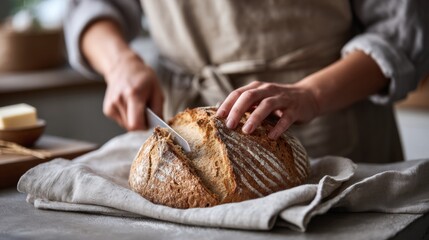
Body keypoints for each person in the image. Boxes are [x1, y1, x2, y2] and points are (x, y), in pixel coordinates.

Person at [65, 0, 429, 163]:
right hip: (188, 135)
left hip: (330, 131)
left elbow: (402, 33)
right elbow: (90, 6)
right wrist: (119, 63)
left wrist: (311, 95)